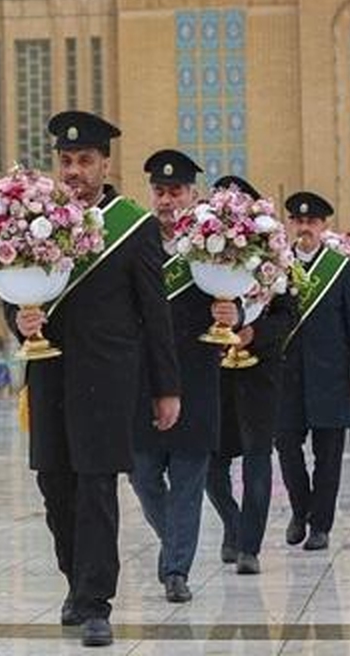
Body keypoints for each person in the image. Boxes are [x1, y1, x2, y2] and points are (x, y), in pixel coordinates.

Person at [6, 110, 180, 648]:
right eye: (66, 161)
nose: (75, 170)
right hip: (50, 373)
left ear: (105, 163)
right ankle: (75, 583)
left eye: (84, 160)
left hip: (108, 379)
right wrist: (19, 320)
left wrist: (166, 387)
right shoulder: (36, 222)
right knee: (54, 485)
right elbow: (10, 288)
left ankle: (96, 602)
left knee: (96, 486)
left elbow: (156, 312)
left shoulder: (134, 226)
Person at [130, 151, 237, 603]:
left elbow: (241, 293)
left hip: (196, 376)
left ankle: (176, 570)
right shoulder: (135, 241)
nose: (167, 199)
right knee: (144, 475)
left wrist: (237, 311)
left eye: (176, 191)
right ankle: (174, 544)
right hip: (143, 379)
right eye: (160, 190)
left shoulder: (213, 241)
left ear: (193, 194)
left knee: (190, 479)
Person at [204, 175, 297, 575]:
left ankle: (250, 547)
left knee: (258, 458)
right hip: (214, 374)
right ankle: (234, 523)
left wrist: (253, 332)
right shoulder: (201, 257)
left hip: (261, 373)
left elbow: (288, 316)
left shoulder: (275, 257)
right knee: (211, 462)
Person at [276, 192, 350, 552]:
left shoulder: (340, 268)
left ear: (323, 226)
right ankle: (301, 511)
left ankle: (321, 525)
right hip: (286, 377)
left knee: (329, 456)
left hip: (330, 376)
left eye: (312, 222)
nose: (305, 228)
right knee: (286, 448)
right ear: (291, 225)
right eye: (299, 221)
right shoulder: (277, 266)